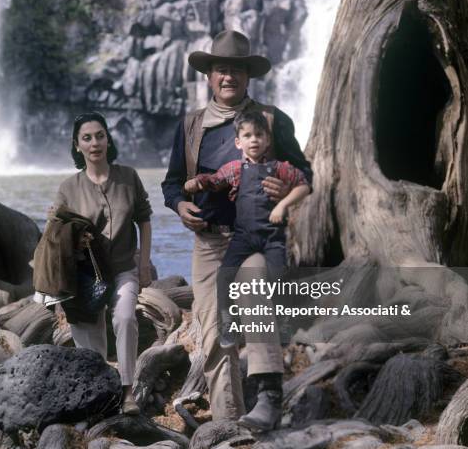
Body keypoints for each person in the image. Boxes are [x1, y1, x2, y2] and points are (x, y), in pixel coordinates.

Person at [162, 30, 312, 428]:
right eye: (221, 70)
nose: (229, 77)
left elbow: (305, 172)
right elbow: (172, 182)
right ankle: (229, 422)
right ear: (210, 76)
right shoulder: (191, 125)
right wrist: (180, 205)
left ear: (249, 77)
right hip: (208, 242)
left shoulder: (272, 120)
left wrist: (285, 188)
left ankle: (268, 401)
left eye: (237, 71)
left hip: (257, 238)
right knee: (213, 332)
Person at [184, 109, 310, 351]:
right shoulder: (234, 169)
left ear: (268, 140)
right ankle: (228, 324)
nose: (254, 140)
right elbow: (214, 180)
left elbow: (303, 185)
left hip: (273, 237)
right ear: (238, 142)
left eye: (259, 135)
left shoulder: (280, 168)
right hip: (243, 237)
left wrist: (283, 204)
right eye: (248, 135)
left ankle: (283, 325)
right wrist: (197, 182)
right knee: (225, 276)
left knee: (279, 277)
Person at [53, 112, 153, 415]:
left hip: (123, 268)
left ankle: (127, 389)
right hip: (86, 275)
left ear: (108, 139)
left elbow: (145, 220)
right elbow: (56, 236)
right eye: (87, 138)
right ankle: (100, 393)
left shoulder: (128, 177)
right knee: (89, 336)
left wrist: (144, 263)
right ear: (77, 145)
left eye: (99, 135)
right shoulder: (68, 188)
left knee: (124, 318)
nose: (94, 142)